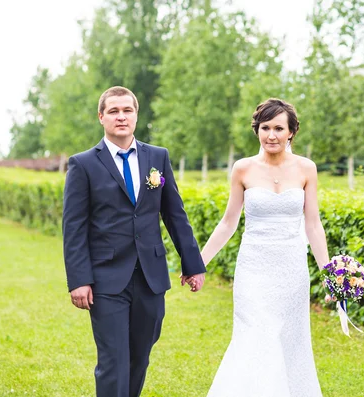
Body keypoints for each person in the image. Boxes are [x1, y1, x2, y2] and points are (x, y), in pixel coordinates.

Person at [62, 86, 205, 397]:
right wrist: (78, 280)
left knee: (139, 358)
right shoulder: (83, 164)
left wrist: (192, 264)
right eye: (113, 111)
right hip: (105, 280)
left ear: (136, 116)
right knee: (113, 361)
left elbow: (175, 215)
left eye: (127, 110)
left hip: (151, 277)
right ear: (101, 117)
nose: (121, 116)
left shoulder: (158, 157)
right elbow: (73, 227)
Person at [194, 98, 329, 396]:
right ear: (257, 130)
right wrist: (197, 261)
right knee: (256, 337)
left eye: (279, 128)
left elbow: (313, 225)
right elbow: (228, 223)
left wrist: (328, 273)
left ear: (291, 132)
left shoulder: (307, 169)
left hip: (292, 271)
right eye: (265, 127)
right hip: (253, 271)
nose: (271, 135)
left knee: (289, 343)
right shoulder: (243, 169)